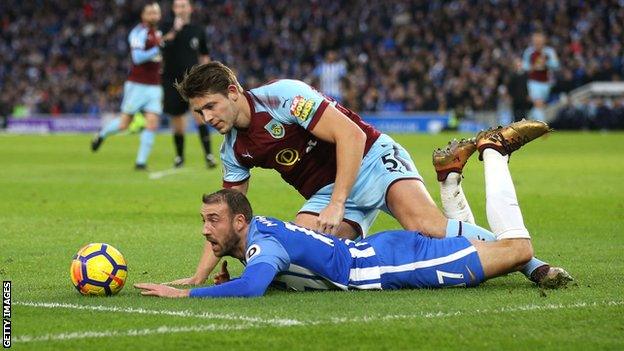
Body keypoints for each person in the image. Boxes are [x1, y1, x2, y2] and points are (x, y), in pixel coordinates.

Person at [167, 62, 569, 288]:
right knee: (302, 265)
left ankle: (532, 264)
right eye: (200, 113)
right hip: (329, 190)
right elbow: (227, 215)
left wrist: (340, 203)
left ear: (234, 90)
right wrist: (202, 274)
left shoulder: (283, 96)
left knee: (425, 225)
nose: (207, 119)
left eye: (211, 106)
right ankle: (448, 184)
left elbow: (351, 135)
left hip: (372, 157)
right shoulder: (233, 150)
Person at [134, 130, 573, 298]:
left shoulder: (262, 245)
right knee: (469, 242)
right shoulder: (263, 236)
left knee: (516, 250)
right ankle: (450, 182)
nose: (205, 231)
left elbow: (252, 287)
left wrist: (189, 293)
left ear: (241, 223)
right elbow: (276, 272)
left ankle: (495, 152)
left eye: (213, 221)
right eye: (203, 221)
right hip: (378, 252)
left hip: (393, 264)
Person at [90, 2, 163, 170]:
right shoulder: (138, 33)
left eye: (156, 13)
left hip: (154, 86)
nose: (153, 15)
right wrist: (157, 49)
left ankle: (140, 163)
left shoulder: (158, 33)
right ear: (143, 16)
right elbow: (137, 57)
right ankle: (101, 135)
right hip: (137, 85)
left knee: (152, 122)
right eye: (150, 13)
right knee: (124, 124)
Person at [160, 0, 216, 169]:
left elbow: (204, 55)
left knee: (200, 115)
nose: (180, 9)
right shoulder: (165, 27)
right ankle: (179, 157)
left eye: (184, 6)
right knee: (177, 120)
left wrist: (206, 75)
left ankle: (208, 155)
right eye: (177, 6)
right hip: (171, 80)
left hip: (193, 81)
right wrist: (175, 30)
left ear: (190, 8)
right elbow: (161, 46)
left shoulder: (198, 30)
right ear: (173, 9)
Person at [522, 31, 560, 121]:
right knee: (538, 103)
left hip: (546, 83)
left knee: (539, 105)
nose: (538, 43)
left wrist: (546, 63)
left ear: (544, 41)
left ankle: (527, 120)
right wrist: (532, 67)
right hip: (533, 82)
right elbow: (525, 65)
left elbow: (556, 64)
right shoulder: (529, 52)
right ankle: (543, 127)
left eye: (540, 40)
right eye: (536, 41)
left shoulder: (549, 52)